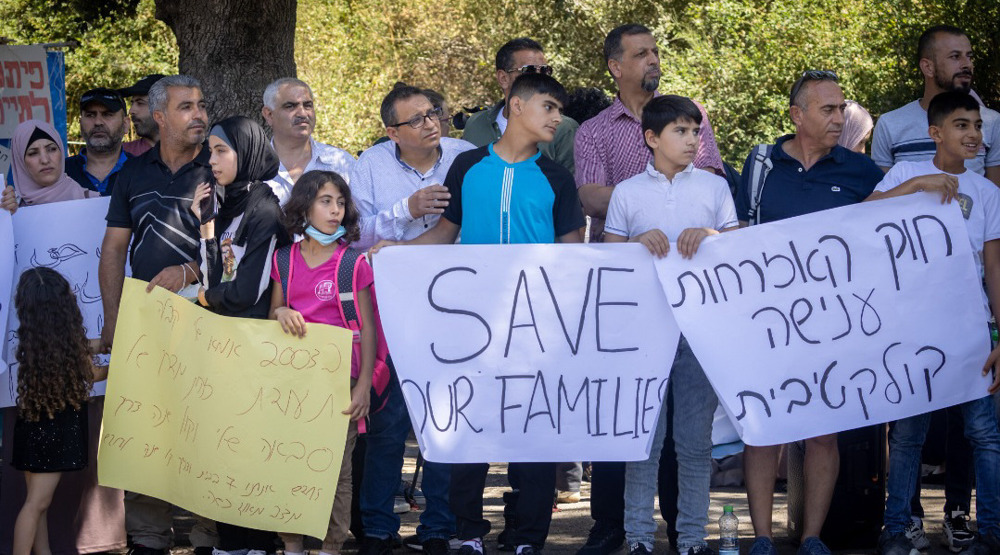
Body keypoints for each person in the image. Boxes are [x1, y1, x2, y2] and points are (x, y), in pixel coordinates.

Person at [371, 72, 585, 555]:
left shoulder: (557, 177)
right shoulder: (467, 167)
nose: (557, 118)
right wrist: (396, 252)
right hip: (473, 328)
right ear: (516, 105)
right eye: (548, 107)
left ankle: (528, 537)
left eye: (559, 109)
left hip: (537, 331)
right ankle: (467, 532)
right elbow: (445, 233)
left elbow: (575, 256)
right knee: (472, 429)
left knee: (533, 436)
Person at [734, 70, 883, 555]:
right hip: (766, 324)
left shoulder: (860, 171)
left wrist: (925, 182)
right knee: (762, 431)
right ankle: (760, 538)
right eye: (828, 109)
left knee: (823, 434)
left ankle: (812, 537)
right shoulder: (760, 165)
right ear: (797, 116)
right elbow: (735, 234)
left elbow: (887, 225)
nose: (840, 118)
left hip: (832, 327)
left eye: (842, 108)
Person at [604, 95, 738, 555]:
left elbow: (738, 249)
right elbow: (608, 258)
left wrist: (713, 235)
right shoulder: (626, 192)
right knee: (644, 440)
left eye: (695, 131)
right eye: (681, 131)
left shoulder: (715, 189)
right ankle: (639, 538)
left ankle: (692, 540)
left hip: (700, 332)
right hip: (642, 333)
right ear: (651, 138)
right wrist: (637, 241)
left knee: (696, 443)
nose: (692, 140)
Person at [867, 90, 1000, 555]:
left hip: (971, 330)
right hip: (912, 329)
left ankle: (991, 532)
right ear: (936, 133)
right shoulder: (906, 172)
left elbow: (994, 266)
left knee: (984, 433)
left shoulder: (987, 193)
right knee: (907, 433)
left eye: (978, 126)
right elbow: (861, 219)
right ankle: (897, 528)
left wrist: (999, 332)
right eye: (962, 125)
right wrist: (915, 186)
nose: (973, 134)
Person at [350, 83, 475, 555]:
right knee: (388, 419)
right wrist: (408, 209)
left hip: (457, 304)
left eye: (434, 113)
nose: (430, 123)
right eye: (417, 118)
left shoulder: (465, 156)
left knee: (442, 419)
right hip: (392, 306)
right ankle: (379, 529)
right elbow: (353, 231)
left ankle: (438, 528)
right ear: (391, 131)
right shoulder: (371, 165)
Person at [98, 74, 218, 555]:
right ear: (160, 116)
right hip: (146, 323)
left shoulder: (218, 169)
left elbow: (234, 248)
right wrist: (112, 321)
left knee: (209, 424)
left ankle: (210, 533)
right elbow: (112, 251)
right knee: (151, 423)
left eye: (202, 105)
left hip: (211, 321)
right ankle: (148, 534)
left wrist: (188, 271)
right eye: (186, 107)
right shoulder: (133, 174)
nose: (199, 115)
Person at [185, 115, 290, 555]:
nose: (212, 160)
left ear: (245, 151)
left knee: (252, 451)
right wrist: (206, 226)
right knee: (225, 449)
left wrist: (203, 299)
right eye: (210, 151)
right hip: (225, 348)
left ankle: (258, 542)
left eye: (221, 150)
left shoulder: (265, 208)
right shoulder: (228, 205)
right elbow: (219, 273)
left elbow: (248, 290)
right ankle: (232, 541)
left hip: (255, 350)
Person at [267, 169, 377, 555]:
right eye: (325, 201)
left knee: (337, 472)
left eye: (341, 203)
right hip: (293, 385)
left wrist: (363, 385)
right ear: (304, 207)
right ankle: (292, 544)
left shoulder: (353, 263)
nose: (334, 210)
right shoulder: (284, 259)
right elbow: (274, 312)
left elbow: (369, 329)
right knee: (288, 463)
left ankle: (332, 545)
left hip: (340, 385)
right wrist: (280, 314)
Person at [574, 23, 725, 244]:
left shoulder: (690, 114)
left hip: (689, 255)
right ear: (616, 67)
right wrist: (671, 189)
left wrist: (628, 196)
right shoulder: (592, 131)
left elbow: (706, 185)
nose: (654, 60)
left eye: (655, 52)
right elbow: (592, 201)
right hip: (623, 262)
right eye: (641, 54)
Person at [10, 267, 108, 555]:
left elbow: (85, 347)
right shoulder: (66, 348)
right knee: (36, 504)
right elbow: (96, 373)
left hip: (32, 425)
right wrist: (125, 365)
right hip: (54, 433)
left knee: (37, 502)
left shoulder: (37, 341)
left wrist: (106, 342)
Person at [872, 25, 999, 186]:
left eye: (969, 56)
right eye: (955, 57)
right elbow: (882, 200)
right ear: (928, 67)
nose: (967, 64)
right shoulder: (890, 124)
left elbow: (995, 197)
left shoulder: (991, 121)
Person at [462, 37, 578, 173]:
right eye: (529, 70)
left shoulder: (564, 129)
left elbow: (572, 190)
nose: (540, 78)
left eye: (545, 71)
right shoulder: (475, 124)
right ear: (503, 78)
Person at [261, 78, 355, 205]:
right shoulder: (254, 168)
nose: (302, 113)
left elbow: (358, 221)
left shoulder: (341, 163)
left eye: (308, 105)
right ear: (269, 115)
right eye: (290, 106)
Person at [1, 119, 99, 213]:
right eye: (33, 153)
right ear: (20, 163)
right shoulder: (10, 207)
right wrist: (5, 217)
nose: (45, 160)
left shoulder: (93, 202)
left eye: (51, 149)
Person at [65, 88, 131, 196]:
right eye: (90, 115)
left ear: (126, 124)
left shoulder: (144, 172)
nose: (98, 122)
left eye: (108, 114)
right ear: (80, 124)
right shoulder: (61, 173)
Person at [119, 74, 165, 157]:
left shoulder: (191, 153)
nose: (131, 111)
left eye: (140, 103)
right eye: (132, 103)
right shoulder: (122, 154)